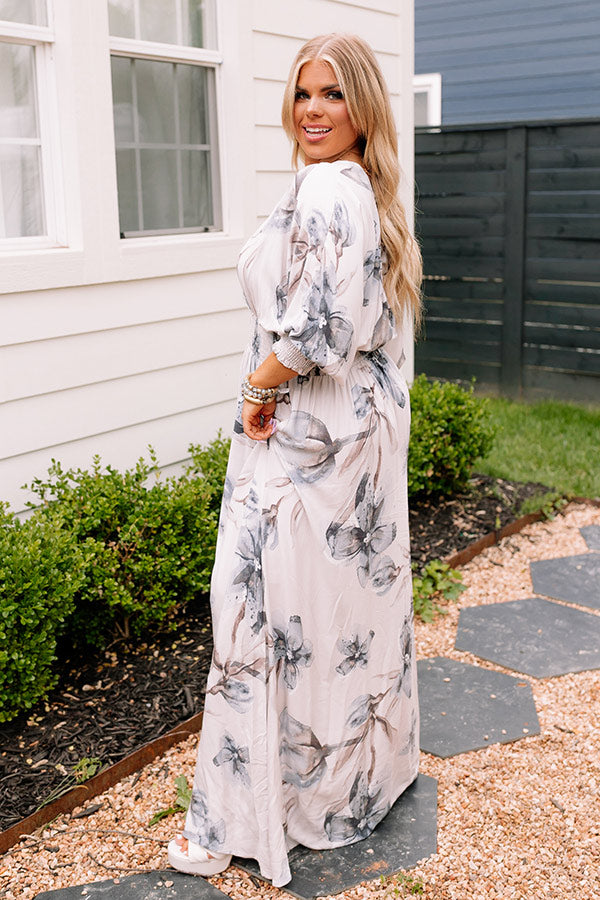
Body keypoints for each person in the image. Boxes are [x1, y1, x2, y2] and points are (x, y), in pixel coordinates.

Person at [167, 32, 423, 889]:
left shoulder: (324, 188)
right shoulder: (368, 191)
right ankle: (348, 790)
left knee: (257, 615)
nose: (313, 110)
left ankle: (238, 821)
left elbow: (318, 332)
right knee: (340, 621)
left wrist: (256, 389)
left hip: (306, 439)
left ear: (364, 109)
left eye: (334, 94)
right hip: (360, 442)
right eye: (304, 92)